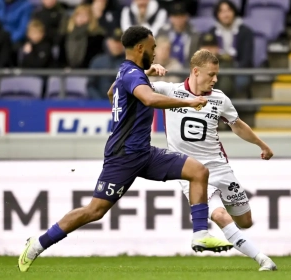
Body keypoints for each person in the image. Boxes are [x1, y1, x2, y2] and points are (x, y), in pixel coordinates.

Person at [17, 26, 232, 273]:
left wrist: (143, 77)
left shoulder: (127, 72)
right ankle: (37, 244)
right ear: (140, 48)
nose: (154, 53)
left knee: (198, 171)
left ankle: (200, 235)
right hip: (123, 156)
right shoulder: (132, 75)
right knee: (94, 211)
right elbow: (150, 99)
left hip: (144, 152)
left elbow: (112, 93)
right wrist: (189, 101)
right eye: (152, 48)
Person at [151, 49, 277, 271]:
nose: (215, 79)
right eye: (211, 74)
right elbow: (128, 85)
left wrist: (261, 145)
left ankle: (236, 234)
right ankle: (263, 260)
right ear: (196, 71)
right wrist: (146, 70)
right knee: (218, 214)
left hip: (220, 168)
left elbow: (237, 125)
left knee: (245, 221)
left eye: (216, 74)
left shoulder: (220, 99)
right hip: (191, 172)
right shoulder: (169, 91)